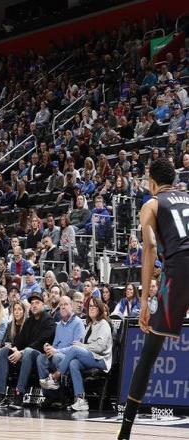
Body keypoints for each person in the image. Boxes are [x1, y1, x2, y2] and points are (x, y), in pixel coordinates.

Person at [118, 158, 189, 439]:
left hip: (179, 270)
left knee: (149, 353)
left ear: (151, 183)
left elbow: (148, 246)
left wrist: (146, 299)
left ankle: (124, 432)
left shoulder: (151, 204)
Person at [42, 297, 112, 411]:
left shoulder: (103, 324)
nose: (92, 308)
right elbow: (84, 344)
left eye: (95, 306)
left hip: (102, 360)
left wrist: (82, 346)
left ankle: (55, 377)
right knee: (74, 363)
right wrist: (82, 346)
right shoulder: (90, 325)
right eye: (90, 306)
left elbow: (100, 347)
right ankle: (80, 399)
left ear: (99, 309)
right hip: (91, 357)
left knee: (75, 349)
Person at [0, 292, 55, 409]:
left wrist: (21, 352)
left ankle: (19, 393)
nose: (34, 305)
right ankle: (0, 393)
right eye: (32, 303)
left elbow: (41, 342)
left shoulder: (49, 320)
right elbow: (20, 340)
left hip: (40, 356)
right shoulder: (29, 321)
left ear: (43, 305)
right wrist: (14, 348)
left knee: (28, 351)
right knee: (4, 351)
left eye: (37, 303)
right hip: (25, 355)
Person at [37, 295, 86, 408]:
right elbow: (55, 345)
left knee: (56, 357)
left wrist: (56, 351)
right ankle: (50, 396)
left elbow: (77, 348)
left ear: (72, 306)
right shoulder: (58, 325)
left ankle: (63, 397)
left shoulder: (78, 323)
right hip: (57, 354)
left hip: (71, 358)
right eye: (61, 305)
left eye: (66, 304)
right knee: (40, 358)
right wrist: (49, 348)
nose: (63, 307)